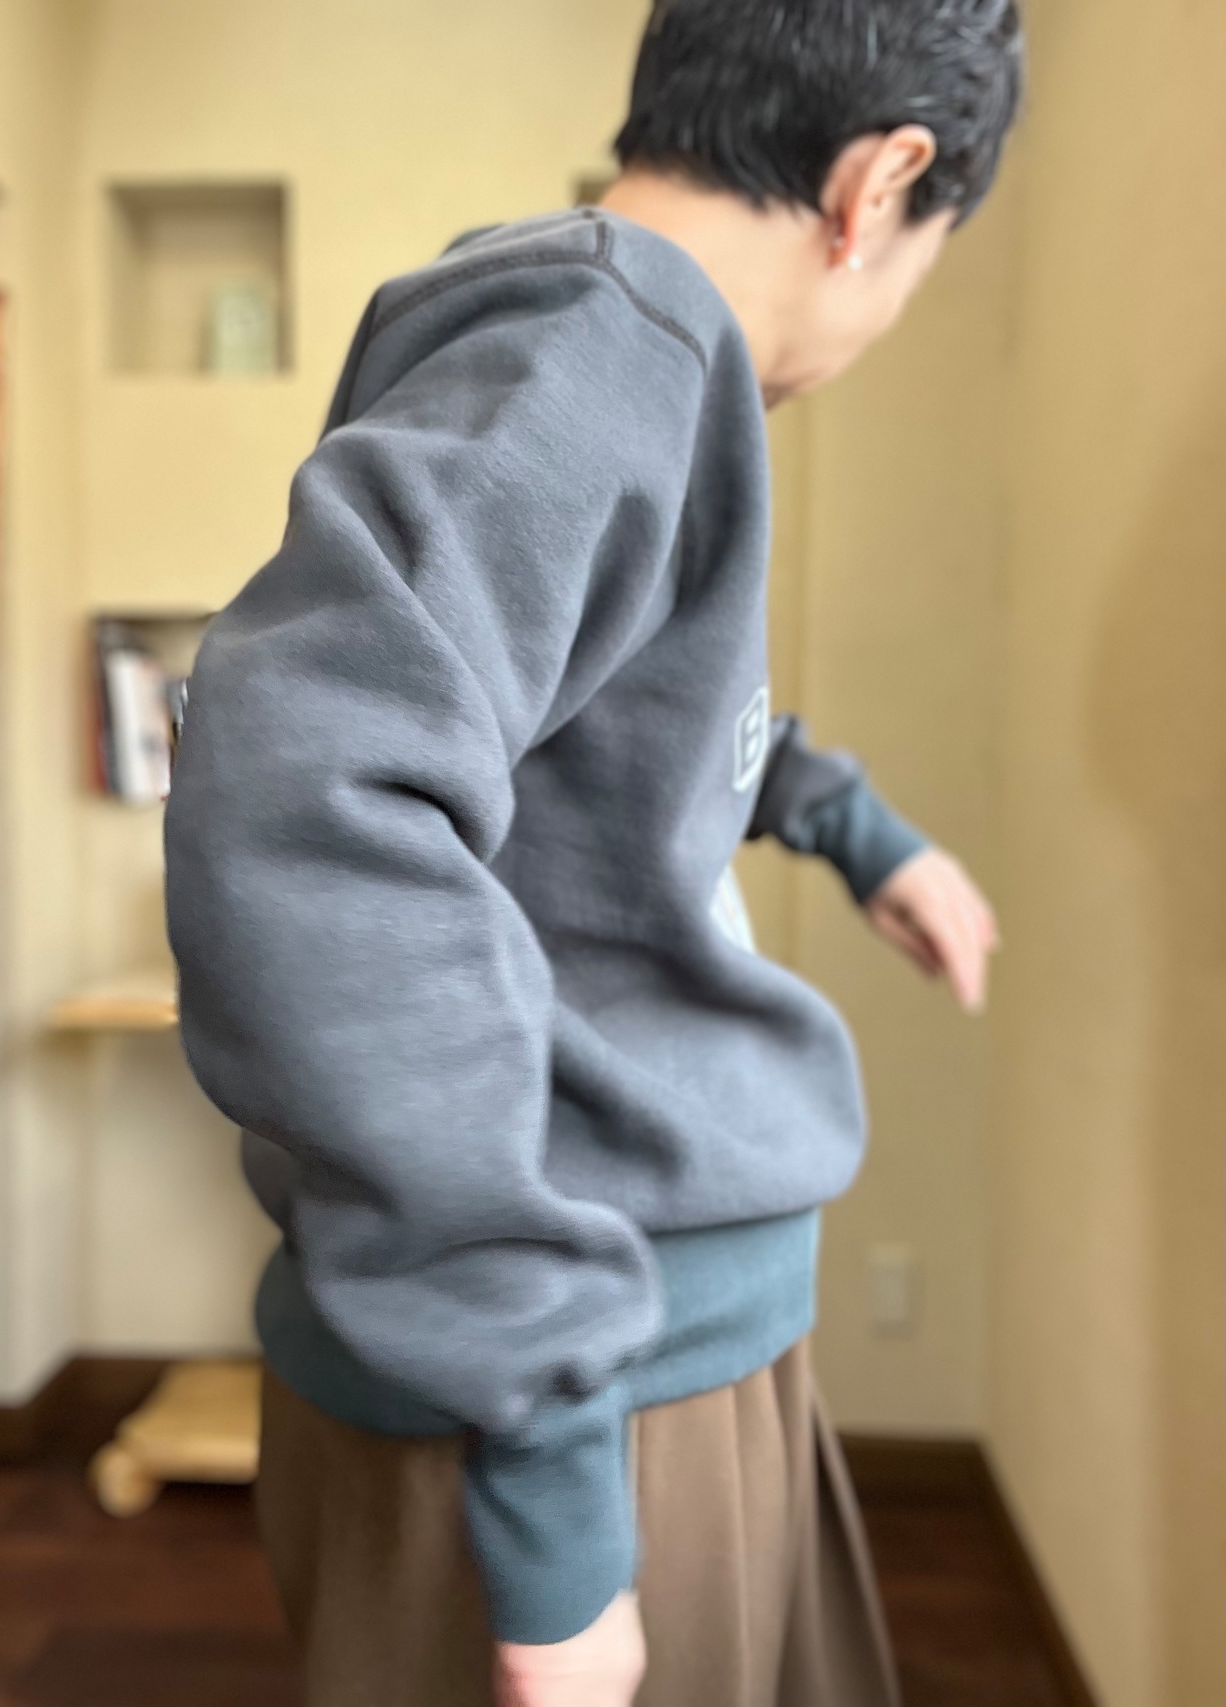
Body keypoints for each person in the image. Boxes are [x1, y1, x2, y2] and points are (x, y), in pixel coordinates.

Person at [164, 2, 1023, 1702]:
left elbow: (617, 720)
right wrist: (555, 1491)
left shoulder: (606, 348)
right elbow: (302, 789)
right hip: (579, 1400)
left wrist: (856, 830)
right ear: (878, 187)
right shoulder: (601, 350)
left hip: (629, 1353)